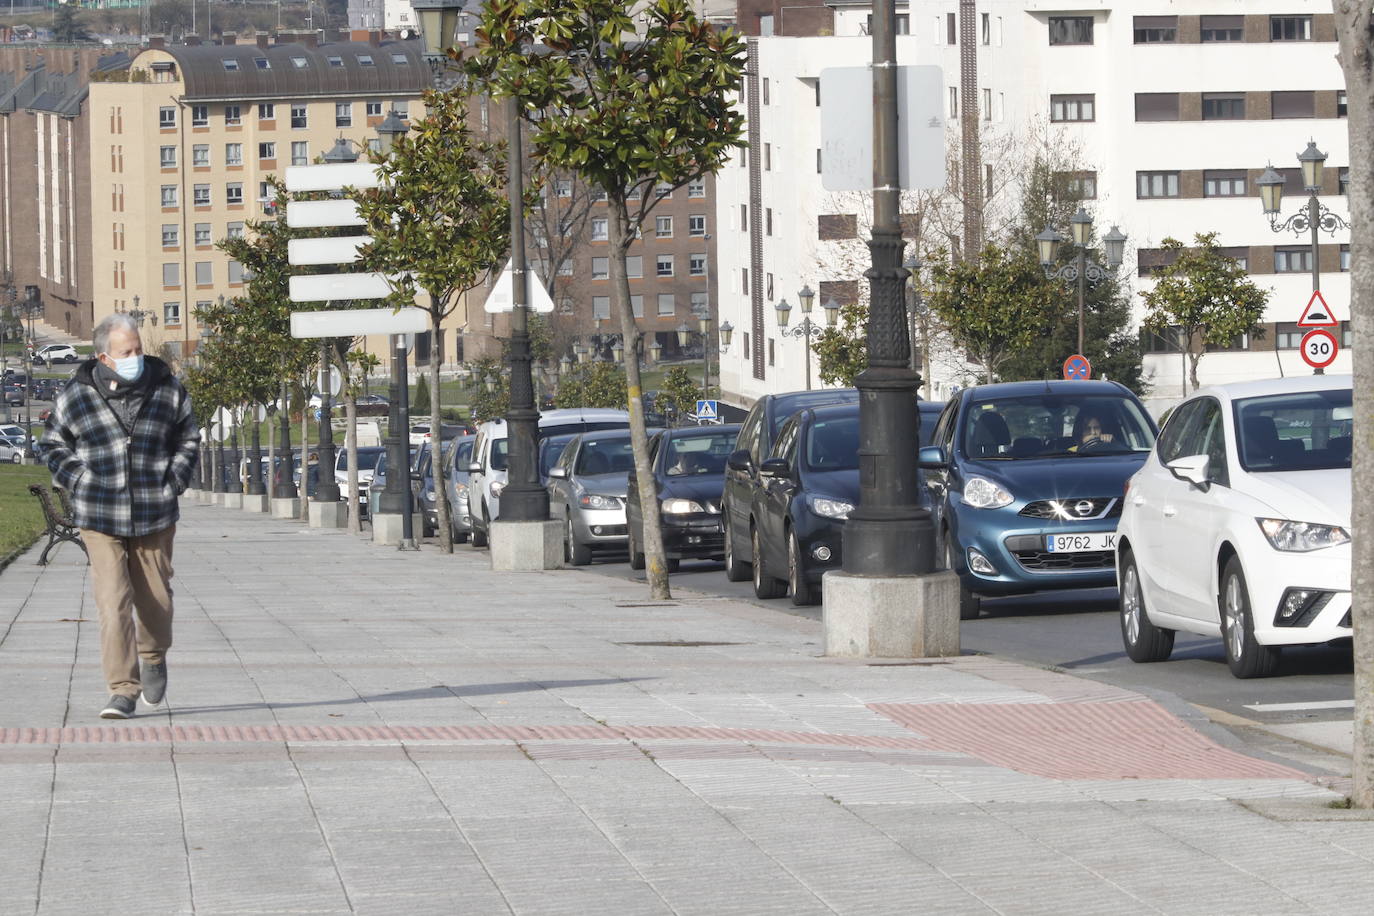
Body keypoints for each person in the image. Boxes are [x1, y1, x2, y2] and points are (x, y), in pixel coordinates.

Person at [40, 313, 200, 719]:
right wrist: (80, 480)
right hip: (99, 513)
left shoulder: (167, 388)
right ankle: (122, 690)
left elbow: (188, 436)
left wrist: (174, 479)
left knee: (156, 601)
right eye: (126, 352)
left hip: (154, 511)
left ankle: (153, 657)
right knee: (112, 603)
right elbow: (53, 444)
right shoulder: (77, 395)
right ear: (104, 358)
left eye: (138, 349)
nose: (135, 358)